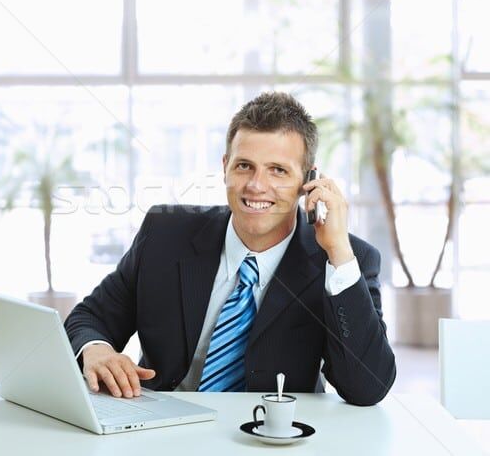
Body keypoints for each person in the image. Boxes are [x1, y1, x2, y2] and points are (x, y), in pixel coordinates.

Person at [65, 91, 396, 406]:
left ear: (307, 180)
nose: (256, 185)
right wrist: (96, 349)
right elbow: (90, 317)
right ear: (225, 166)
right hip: (161, 431)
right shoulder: (165, 234)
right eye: (244, 166)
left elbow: (367, 387)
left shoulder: (345, 260)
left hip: (272, 439)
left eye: (278, 170)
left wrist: (337, 253)